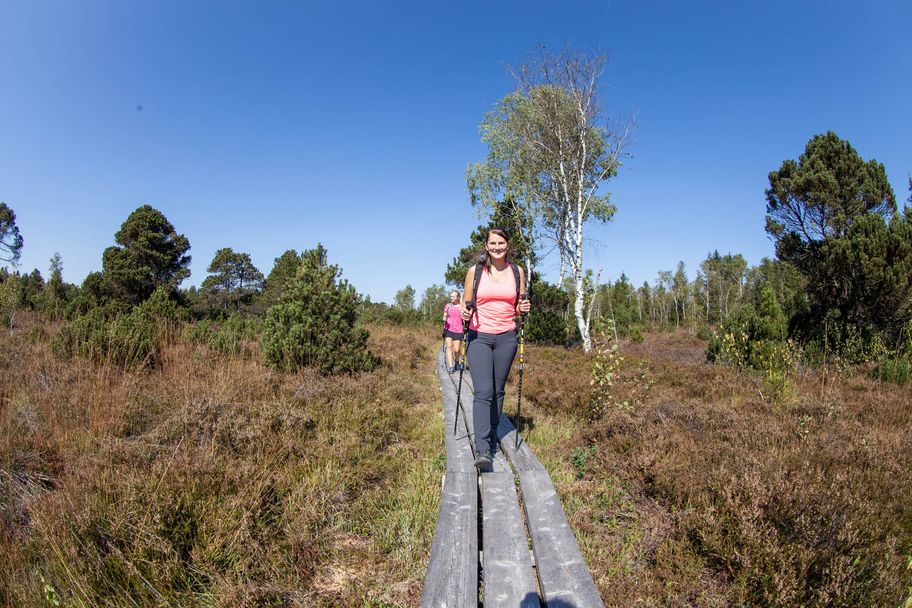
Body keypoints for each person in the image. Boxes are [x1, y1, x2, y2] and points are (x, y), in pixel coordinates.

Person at [461, 228, 531, 469]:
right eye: (493, 243)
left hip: (506, 337)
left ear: (507, 245)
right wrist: (464, 310)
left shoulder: (517, 271)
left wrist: (523, 308)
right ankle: (482, 447)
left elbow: (518, 306)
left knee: (498, 391)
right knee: (484, 391)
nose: (497, 247)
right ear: (486, 246)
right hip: (479, 336)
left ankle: (491, 435)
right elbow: (466, 300)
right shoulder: (476, 272)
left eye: (501, 243)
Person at [442, 290, 464, 373]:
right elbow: (444, 317)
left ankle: (457, 362)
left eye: (453, 296)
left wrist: (461, 298)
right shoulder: (448, 306)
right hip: (448, 329)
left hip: (458, 330)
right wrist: (445, 318)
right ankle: (451, 366)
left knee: (457, 349)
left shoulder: (461, 306)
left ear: (458, 298)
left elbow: (464, 313)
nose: (451, 298)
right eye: (451, 296)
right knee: (449, 347)